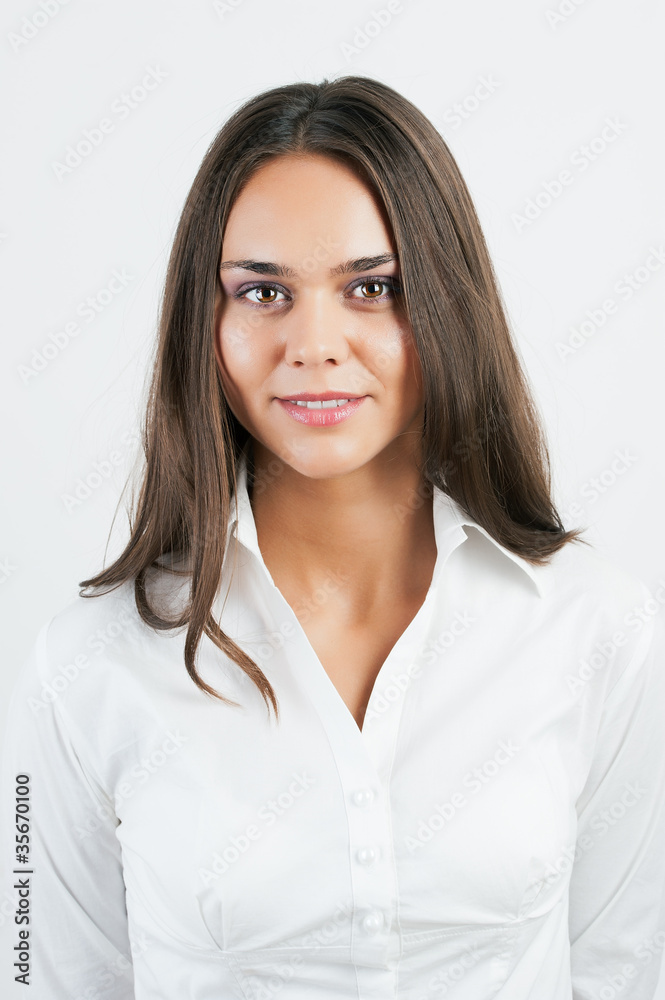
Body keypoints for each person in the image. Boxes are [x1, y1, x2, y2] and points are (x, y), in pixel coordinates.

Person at [2, 75, 664, 999]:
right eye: (264, 291)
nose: (314, 343)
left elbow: (623, 971)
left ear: (445, 303)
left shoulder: (597, 630)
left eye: (373, 287)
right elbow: (45, 977)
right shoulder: (86, 667)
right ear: (208, 318)